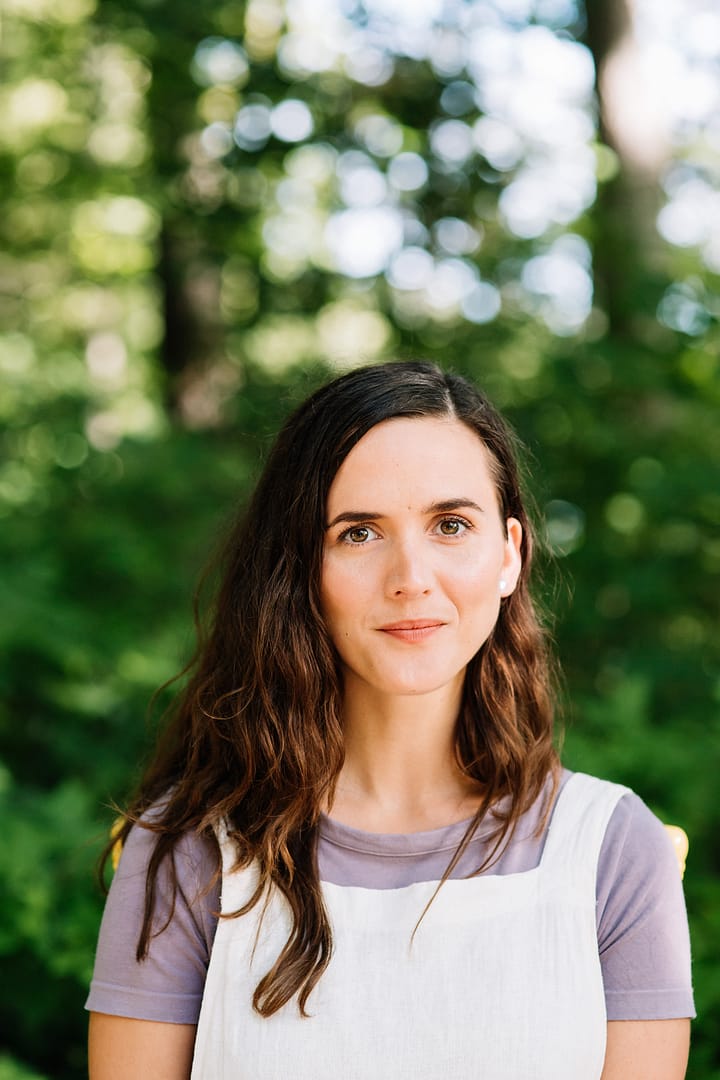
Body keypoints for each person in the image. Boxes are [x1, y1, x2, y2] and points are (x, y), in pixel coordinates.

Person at [86, 360, 694, 1079]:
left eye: (450, 524)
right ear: (299, 568)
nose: (411, 577)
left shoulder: (613, 851)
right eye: (358, 533)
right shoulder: (189, 853)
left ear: (509, 555)